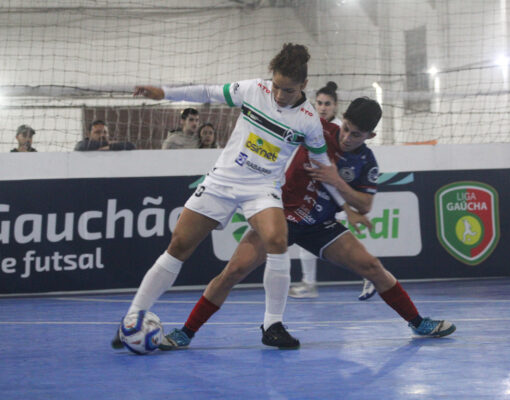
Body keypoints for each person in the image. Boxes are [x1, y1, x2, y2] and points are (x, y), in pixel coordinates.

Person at [158, 98, 456, 351]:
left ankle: (418, 323)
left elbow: (364, 205)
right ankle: (186, 332)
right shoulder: (318, 129)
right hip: (280, 216)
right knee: (233, 271)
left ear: (371, 135)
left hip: (320, 226)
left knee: (372, 266)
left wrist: (337, 181)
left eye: (356, 135)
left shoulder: (367, 161)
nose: (347, 138)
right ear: (343, 120)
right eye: (347, 129)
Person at [112, 43, 346, 350]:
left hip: (262, 189)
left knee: (277, 240)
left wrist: (344, 202)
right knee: (178, 245)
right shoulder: (252, 90)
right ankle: (132, 319)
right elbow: (208, 92)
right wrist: (165, 93)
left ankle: (272, 325)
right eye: (275, 86)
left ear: (303, 85)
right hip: (223, 181)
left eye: (287, 90)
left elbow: (321, 164)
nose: (278, 95)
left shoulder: (308, 120)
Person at [290, 81, 376, 301]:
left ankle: (367, 272)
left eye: (327, 104)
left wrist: (347, 207)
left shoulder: (339, 131)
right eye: (319, 103)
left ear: (336, 106)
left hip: (324, 198)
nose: (323, 107)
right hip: (312, 195)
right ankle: (309, 284)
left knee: (296, 237)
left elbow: (331, 177)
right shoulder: (318, 126)